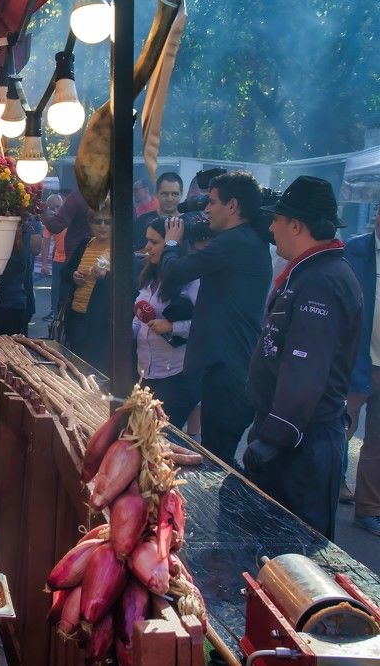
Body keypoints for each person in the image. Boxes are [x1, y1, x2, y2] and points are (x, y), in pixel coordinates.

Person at [243, 176, 362, 540]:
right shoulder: (310, 272)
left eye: (277, 219)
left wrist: (274, 437)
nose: (271, 226)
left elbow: (305, 368)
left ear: (296, 225)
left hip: (302, 448)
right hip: (292, 439)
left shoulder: (322, 281)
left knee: (295, 555)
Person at [161, 171, 272, 467]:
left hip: (228, 369)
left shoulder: (233, 242)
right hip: (232, 364)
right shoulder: (247, 241)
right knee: (217, 454)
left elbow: (175, 272)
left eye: (211, 202)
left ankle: (231, 513)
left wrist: (171, 243)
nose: (206, 209)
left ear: (232, 206)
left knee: (218, 460)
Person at [133, 218, 200, 428]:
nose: (147, 247)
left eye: (154, 242)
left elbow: (204, 326)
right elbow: (139, 321)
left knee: (161, 441)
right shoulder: (149, 276)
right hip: (145, 373)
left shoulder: (193, 281)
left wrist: (172, 327)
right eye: (147, 241)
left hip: (176, 377)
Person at [343, 204, 380, 535]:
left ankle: (369, 509)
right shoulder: (354, 250)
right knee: (341, 427)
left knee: (378, 441)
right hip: (358, 359)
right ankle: (330, 486)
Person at [61, 202, 113, 374]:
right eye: (98, 221)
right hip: (76, 316)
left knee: (95, 370)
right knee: (75, 367)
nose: (103, 226)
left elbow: (130, 284)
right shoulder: (85, 243)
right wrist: (73, 275)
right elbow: (66, 271)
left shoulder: (120, 248)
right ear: (90, 223)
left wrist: (105, 277)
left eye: (108, 222)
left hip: (101, 324)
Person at [0, 216, 42, 335]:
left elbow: (35, 249)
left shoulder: (29, 222)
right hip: (12, 297)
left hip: (12, 299)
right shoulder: (30, 222)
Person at [134, 172, 183, 251]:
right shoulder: (141, 222)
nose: (169, 199)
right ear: (156, 194)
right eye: (165, 194)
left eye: (174, 194)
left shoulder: (187, 222)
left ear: (181, 194)